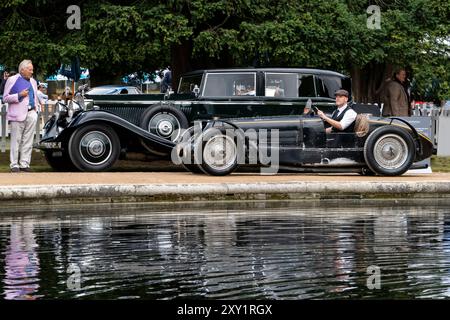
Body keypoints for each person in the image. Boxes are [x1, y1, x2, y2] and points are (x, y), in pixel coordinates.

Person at [2, 59, 40, 173]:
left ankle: (24, 164)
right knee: (16, 140)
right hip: (17, 114)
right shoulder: (12, 79)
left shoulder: (33, 81)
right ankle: (14, 164)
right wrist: (19, 95)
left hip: (31, 113)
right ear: (22, 70)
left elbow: (35, 96)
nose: (32, 72)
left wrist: (36, 109)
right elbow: (5, 98)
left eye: (32, 69)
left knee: (28, 140)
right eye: (30, 70)